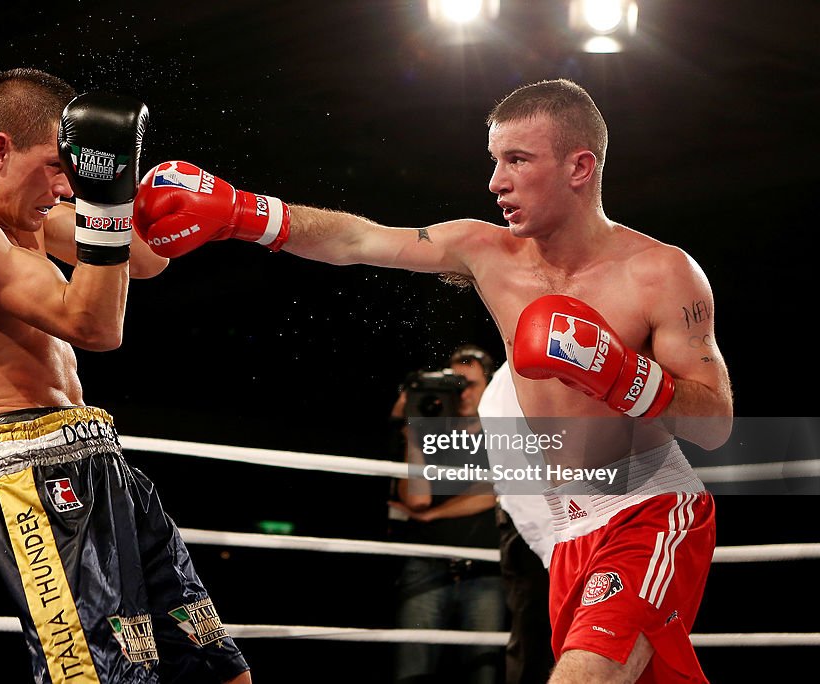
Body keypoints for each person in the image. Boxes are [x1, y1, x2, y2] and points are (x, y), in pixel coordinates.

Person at [135, 79, 734, 682]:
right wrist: (243, 212)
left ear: (580, 166)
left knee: (585, 674)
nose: (496, 182)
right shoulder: (486, 251)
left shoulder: (660, 272)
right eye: (494, 161)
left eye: (517, 160)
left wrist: (621, 375)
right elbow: (360, 240)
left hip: (648, 507)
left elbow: (714, 424)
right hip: (565, 530)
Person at [0, 68, 251, 684]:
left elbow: (144, 261)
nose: (65, 188)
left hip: (97, 455)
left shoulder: (28, 211)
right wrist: (106, 202)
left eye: (75, 171)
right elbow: (93, 326)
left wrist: (130, 191)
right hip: (28, 472)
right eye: (57, 167)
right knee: (99, 676)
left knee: (214, 665)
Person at [387, 345, 505, 684]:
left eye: (470, 383)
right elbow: (419, 499)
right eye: (455, 383)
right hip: (426, 566)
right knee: (413, 671)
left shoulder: (506, 432)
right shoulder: (429, 430)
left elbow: (495, 490)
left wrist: (432, 516)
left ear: (489, 386)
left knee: (483, 672)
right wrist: (411, 433)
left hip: (484, 571)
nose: (463, 392)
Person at [480, 363, 556, 684]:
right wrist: (555, 550)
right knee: (533, 641)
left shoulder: (589, 359)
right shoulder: (505, 384)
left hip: (588, 530)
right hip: (536, 534)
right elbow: (517, 483)